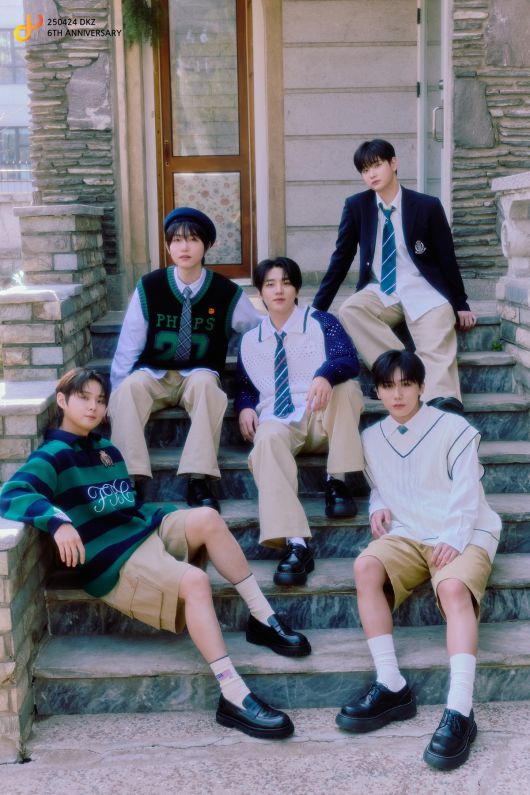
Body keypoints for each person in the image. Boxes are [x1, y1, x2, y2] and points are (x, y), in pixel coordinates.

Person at [0, 368, 312, 740]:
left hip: (138, 529)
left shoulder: (106, 449)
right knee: (195, 581)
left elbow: (125, 506)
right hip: (112, 557)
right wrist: (57, 521)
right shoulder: (53, 455)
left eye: (100, 400)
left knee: (208, 518)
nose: (93, 407)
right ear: (63, 401)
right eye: (84, 398)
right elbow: (11, 494)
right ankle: (232, 694)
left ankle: (262, 618)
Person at [336, 350, 502, 770]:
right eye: (388, 386)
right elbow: (382, 484)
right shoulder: (371, 437)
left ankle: (460, 711)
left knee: (452, 587)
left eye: (406, 384)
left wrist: (453, 537)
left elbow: (467, 491)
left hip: (465, 527)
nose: (397, 394)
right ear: (377, 392)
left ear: (422, 387)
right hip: (409, 531)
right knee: (365, 566)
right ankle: (391, 684)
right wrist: (377, 505)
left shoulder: (453, 428)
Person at [108, 207, 263, 511]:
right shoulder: (149, 286)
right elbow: (129, 344)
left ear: (207, 245)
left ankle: (199, 479)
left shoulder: (226, 292)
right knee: (128, 390)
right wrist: (114, 391)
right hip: (154, 374)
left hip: (199, 373)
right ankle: (128, 478)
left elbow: (259, 331)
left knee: (208, 388)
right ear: (168, 246)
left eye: (192, 239)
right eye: (177, 240)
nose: (184, 247)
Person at [313, 138, 477, 414]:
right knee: (350, 309)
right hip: (381, 289)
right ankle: (399, 370)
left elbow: (446, 258)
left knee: (438, 331)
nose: (372, 174)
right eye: (365, 170)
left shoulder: (426, 206)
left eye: (377, 165)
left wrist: (460, 303)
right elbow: (340, 259)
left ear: (393, 163)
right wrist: (317, 309)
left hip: (423, 288)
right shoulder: (357, 206)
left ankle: (442, 403)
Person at [235, 257, 364, 586]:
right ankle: (295, 544)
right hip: (279, 421)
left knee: (347, 388)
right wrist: (245, 407)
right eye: (270, 284)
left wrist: (326, 374)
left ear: (296, 289)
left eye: (286, 282)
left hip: (321, 415)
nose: (279, 290)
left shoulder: (321, 321)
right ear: (260, 293)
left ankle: (337, 481)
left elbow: (348, 359)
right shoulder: (251, 339)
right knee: (265, 440)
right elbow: (245, 387)